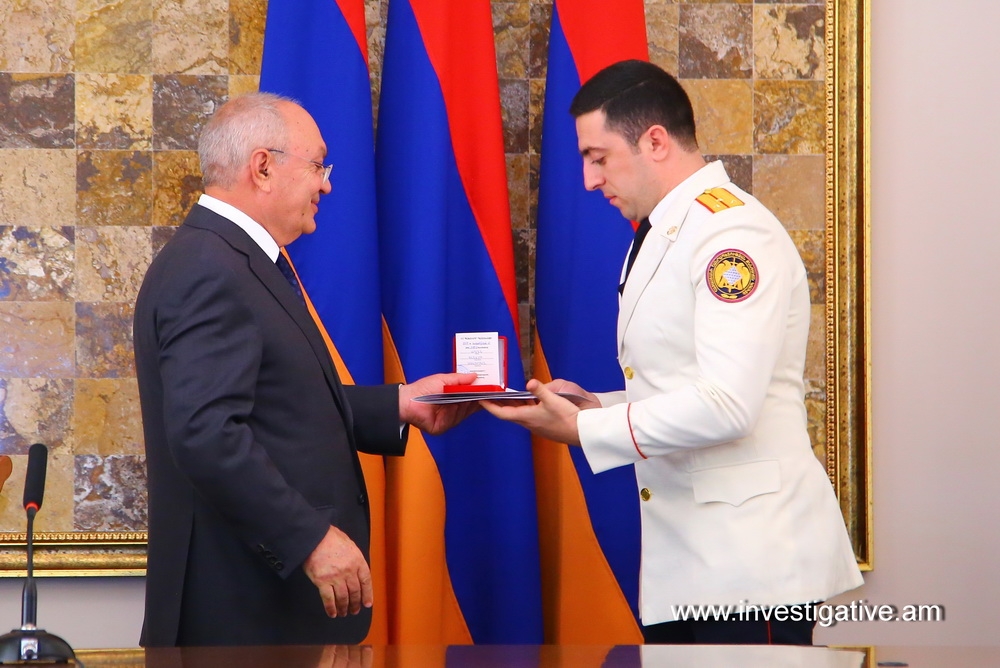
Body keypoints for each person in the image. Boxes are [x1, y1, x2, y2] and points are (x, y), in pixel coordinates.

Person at [483, 60, 863, 645]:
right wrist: (593, 406)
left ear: (655, 141)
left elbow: (728, 404)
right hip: (695, 562)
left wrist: (587, 431)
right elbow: (679, 383)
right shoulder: (669, 228)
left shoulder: (730, 235)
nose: (588, 180)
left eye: (598, 157)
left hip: (750, 567)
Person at [133, 92, 477, 647]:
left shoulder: (232, 258)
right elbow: (206, 434)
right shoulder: (209, 267)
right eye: (318, 165)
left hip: (263, 615)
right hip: (241, 620)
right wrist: (310, 538)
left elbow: (277, 402)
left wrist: (400, 404)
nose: (327, 185)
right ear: (263, 167)